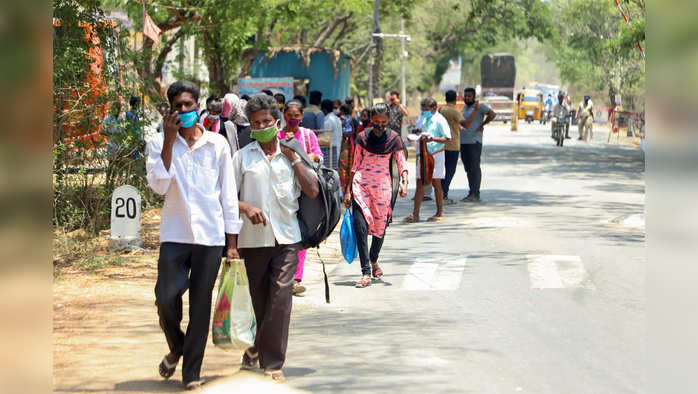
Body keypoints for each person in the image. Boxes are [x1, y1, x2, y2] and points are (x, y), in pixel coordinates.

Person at [146, 80, 243, 390]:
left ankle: (191, 374)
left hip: (210, 237)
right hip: (174, 234)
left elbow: (228, 195)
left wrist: (232, 242)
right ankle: (177, 346)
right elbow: (159, 186)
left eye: (189, 105)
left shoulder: (217, 144)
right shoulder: (158, 142)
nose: (184, 111)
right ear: (170, 109)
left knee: (201, 305)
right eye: (178, 106)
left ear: (198, 106)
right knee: (165, 297)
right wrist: (168, 140)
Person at [233, 94, 319, 382]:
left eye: (267, 121)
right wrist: (245, 208)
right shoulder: (242, 158)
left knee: (280, 301)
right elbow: (226, 199)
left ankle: (273, 363)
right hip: (252, 241)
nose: (262, 126)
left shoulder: (292, 153)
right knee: (260, 302)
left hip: (287, 239)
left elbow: (312, 191)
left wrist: (295, 161)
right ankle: (256, 345)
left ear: (277, 121)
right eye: (256, 123)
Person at [343, 103, 408, 288]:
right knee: (360, 228)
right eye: (376, 122)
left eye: (383, 122)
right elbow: (355, 165)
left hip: (382, 188)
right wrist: (348, 191)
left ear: (388, 121)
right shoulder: (362, 137)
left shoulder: (394, 138)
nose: (380, 125)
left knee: (380, 228)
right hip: (361, 186)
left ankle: (374, 259)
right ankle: (365, 272)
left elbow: (401, 162)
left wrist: (404, 182)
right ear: (370, 120)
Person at [277, 99, 323, 296]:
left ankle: (296, 278)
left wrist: (310, 156)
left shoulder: (307, 135)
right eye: (290, 116)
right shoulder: (277, 134)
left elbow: (319, 156)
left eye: (297, 116)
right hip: (281, 189)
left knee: (300, 233)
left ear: (302, 117)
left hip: (304, 190)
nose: (293, 119)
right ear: (284, 116)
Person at [404, 97, 451, 223]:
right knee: (420, 183)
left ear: (434, 108)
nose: (424, 112)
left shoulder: (440, 120)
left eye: (426, 110)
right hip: (423, 153)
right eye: (422, 109)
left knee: (436, 183)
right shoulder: (423, 118)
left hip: (436, 153)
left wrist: (433, 139)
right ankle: (416, 214)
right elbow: (421, 130)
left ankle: (440, 212)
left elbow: (447, 138)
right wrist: (417, 132)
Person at [459, 87, 495, 202]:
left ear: (474, 97)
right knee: (468, 168)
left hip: (474, 142)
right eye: (466, 96)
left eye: (469, 96)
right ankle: (471, 192)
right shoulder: (465, 108)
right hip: (463, 142)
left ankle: (475, 193)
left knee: (474, 167)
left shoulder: (479, 107)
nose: (467, 98)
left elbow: (492, 114)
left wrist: (483, 124)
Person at [439, 90, 465, 205]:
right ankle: (444, 195)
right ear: (456, 99)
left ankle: (441, 194)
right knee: (450, 171)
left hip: (442, 144)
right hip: (453, 145)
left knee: (442, 171)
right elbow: (465, 124)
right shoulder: (455, 111)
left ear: (445, 98)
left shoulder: (441, 110)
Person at [338, 103, 357, 189]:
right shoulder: (352, 119)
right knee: (350, 164)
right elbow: (353, 130)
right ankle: (348, 187)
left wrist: (344, 135)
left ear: (343, 111)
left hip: (344, 143)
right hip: (350, 142)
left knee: (342, 165)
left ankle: (343, 186)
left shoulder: (341, 119)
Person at [321, 98, 342, 169]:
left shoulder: (327, 121)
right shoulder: (337, 119)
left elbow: (324, 139)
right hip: (337, 149)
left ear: (324, 110)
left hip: (329, 152)